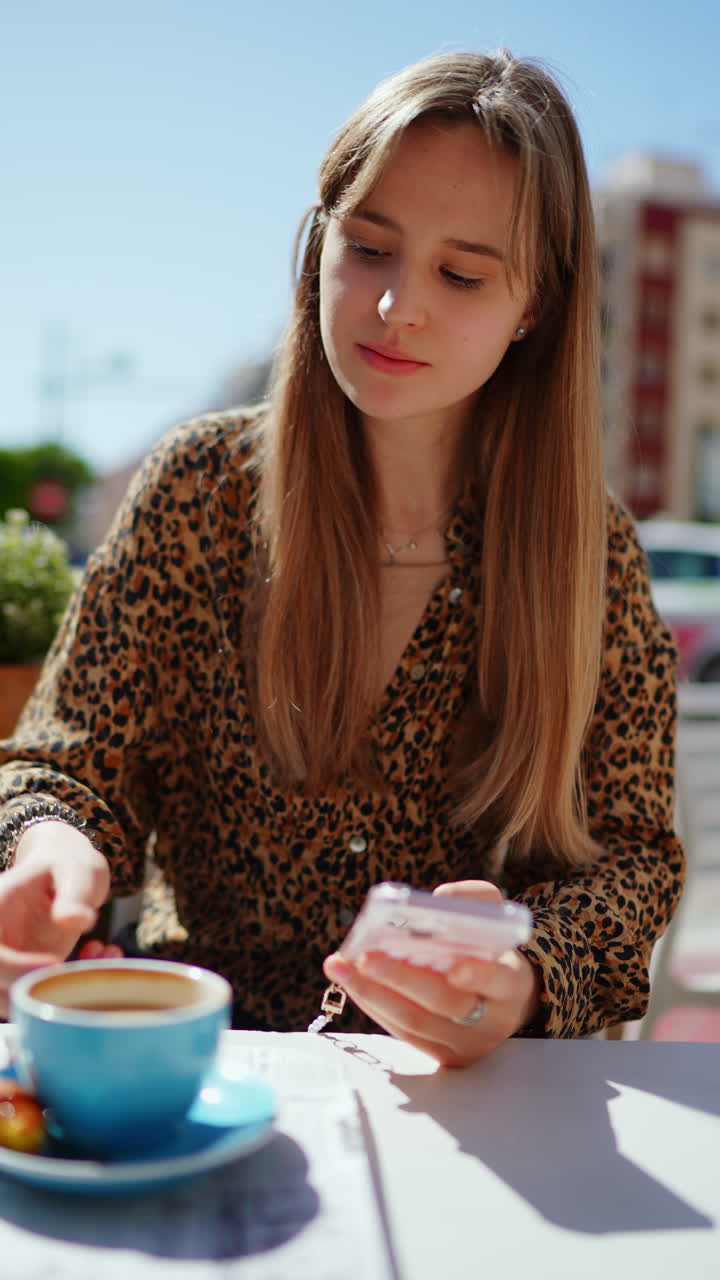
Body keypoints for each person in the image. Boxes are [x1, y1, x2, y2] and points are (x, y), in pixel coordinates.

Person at [0, 49, 685, 1065]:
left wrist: (529, 970)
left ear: (534, 305)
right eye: (368, 247)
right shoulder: (197, 490)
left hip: (469, 1102)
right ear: (320, 240)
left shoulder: (592, 556)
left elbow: (633, 859)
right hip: (201, 1071)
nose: (396, 306)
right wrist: (51, 845)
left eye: (461, 274)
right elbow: (65, 764)